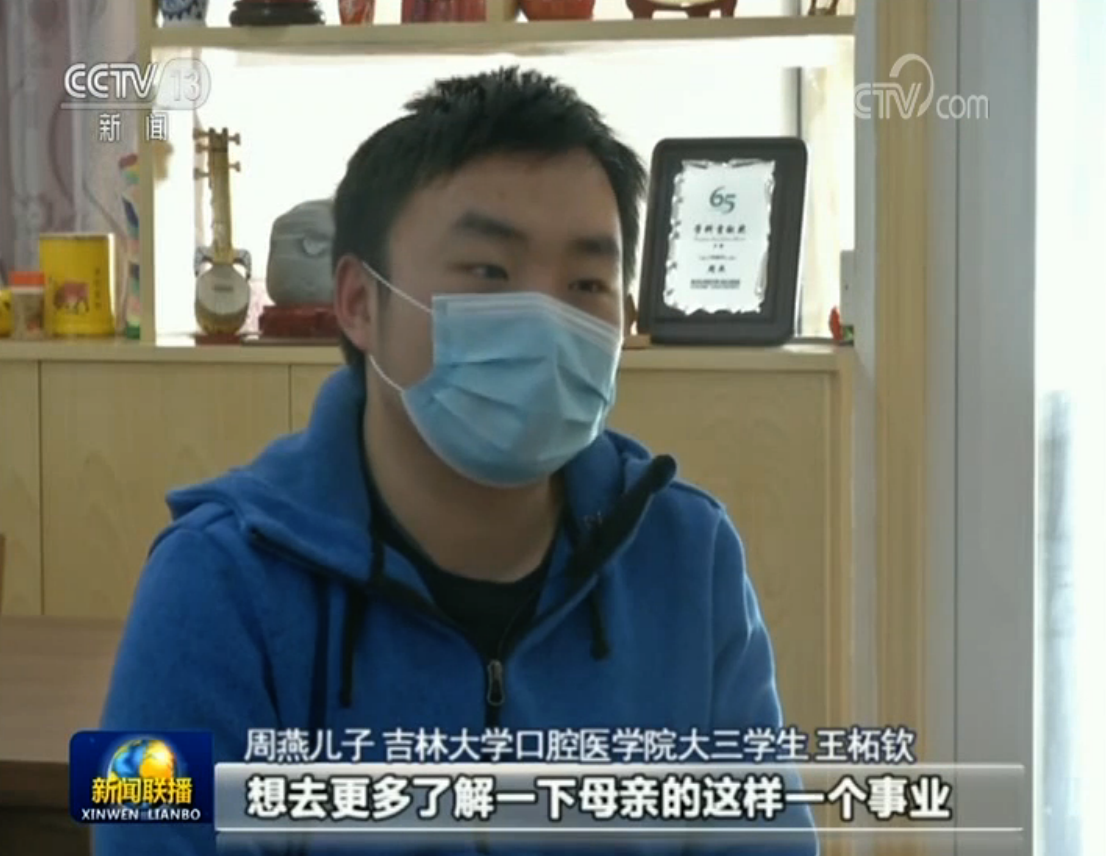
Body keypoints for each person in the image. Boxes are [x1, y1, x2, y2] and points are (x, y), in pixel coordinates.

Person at [97, 66, 817, 855]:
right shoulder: (213, 579)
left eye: (587, 282)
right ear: (359, 302)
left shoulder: (687, 558)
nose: (545, 321)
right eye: (489, 273)